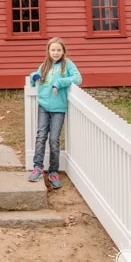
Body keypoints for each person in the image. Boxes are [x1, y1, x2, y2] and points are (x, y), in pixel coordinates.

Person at [28, 37, 82, 189]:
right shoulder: (45, 65)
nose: (56, 53)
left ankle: (53, 171)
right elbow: (34, 77)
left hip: (58, 108)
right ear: (48, 51)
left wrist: (60, 82)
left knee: (54, 139)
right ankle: (38, 167)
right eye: (53, 50)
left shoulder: (67, 65)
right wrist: (34, 76)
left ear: (63, 51)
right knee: (41, 136)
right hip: (44, 105)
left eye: (59, 50)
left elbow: (78, 78)